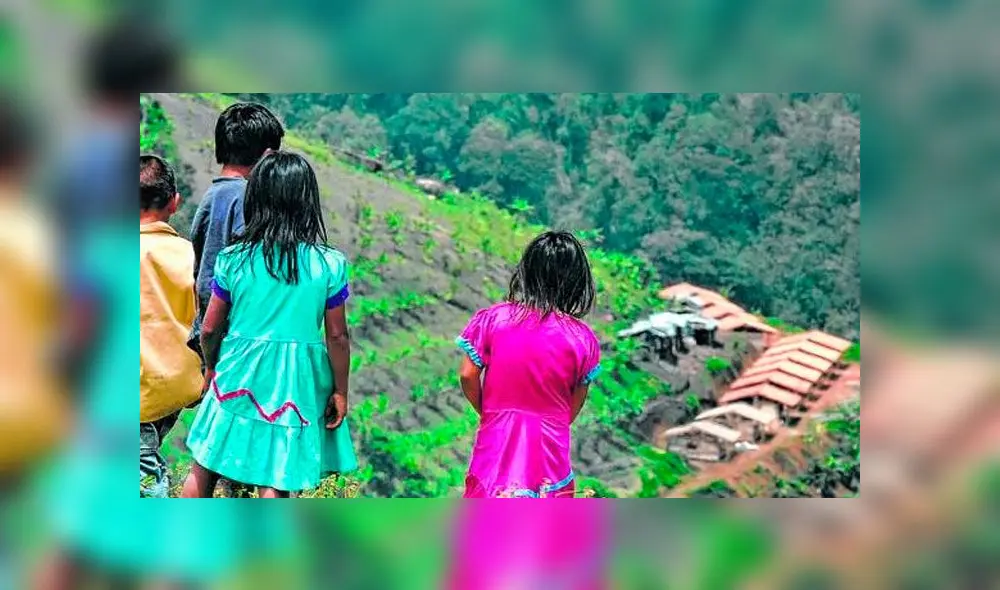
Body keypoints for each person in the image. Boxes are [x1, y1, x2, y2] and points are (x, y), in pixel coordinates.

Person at [181, 151, 356, 498]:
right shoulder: (329, 264)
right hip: (295, 380)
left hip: (236, 370)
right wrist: (340, 390)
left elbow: (212, 326)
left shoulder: (233, 257)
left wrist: (212, 367)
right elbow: (337, 335)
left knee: (205, 465)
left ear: (256, 197)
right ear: (307, 200)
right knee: (277, 474)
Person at [456, 230, 602, 498]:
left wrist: (490, 411)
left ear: (527, 272)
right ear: (576, 280)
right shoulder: (583, 339)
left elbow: (467, 375)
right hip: (550, 450)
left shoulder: (494, 320)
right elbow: (574, 404)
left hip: (496, 438)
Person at [188, 101, 284, 359]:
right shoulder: (246, 199)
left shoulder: (212, 195)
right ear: (267, 156)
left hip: (212, 327)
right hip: (236, 337)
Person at [139, 154, 202, 498]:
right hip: (179, 386)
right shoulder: (193, 255)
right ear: (174, 203)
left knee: (142, 475)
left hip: (137, 391)